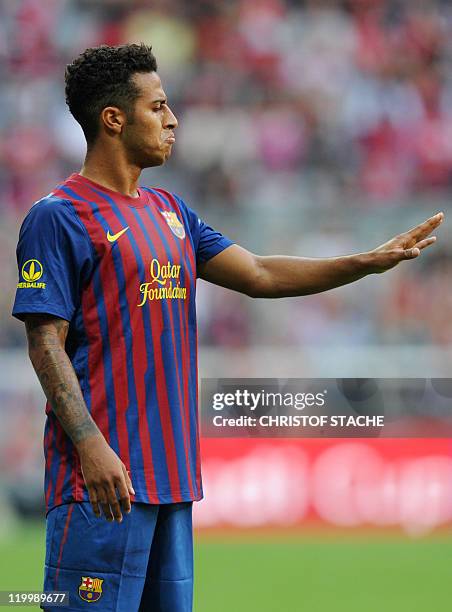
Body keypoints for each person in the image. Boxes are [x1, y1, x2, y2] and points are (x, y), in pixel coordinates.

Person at [12, 44, 443, 612]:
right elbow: (45, 342)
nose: (172, 119)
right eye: (159, 106)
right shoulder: (59, 215)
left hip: (172, 481)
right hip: (102, 485)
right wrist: (91, 446)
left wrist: (365, 262)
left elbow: (260, 272)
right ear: (113, 119)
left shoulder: (170, 211)